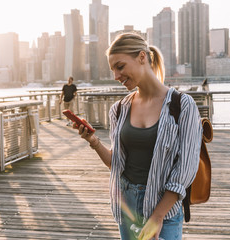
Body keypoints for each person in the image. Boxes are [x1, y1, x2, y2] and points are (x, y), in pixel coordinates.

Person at [72, 33, 202, 240]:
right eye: (113, 69)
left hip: (164, 209)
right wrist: (93, 142)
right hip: (127, 206)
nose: (116, 75)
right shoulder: (119, 109)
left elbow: (185, 170)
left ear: (142, 57)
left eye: (120, 66)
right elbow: (117, 163)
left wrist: (157, 216)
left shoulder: (183, 105)